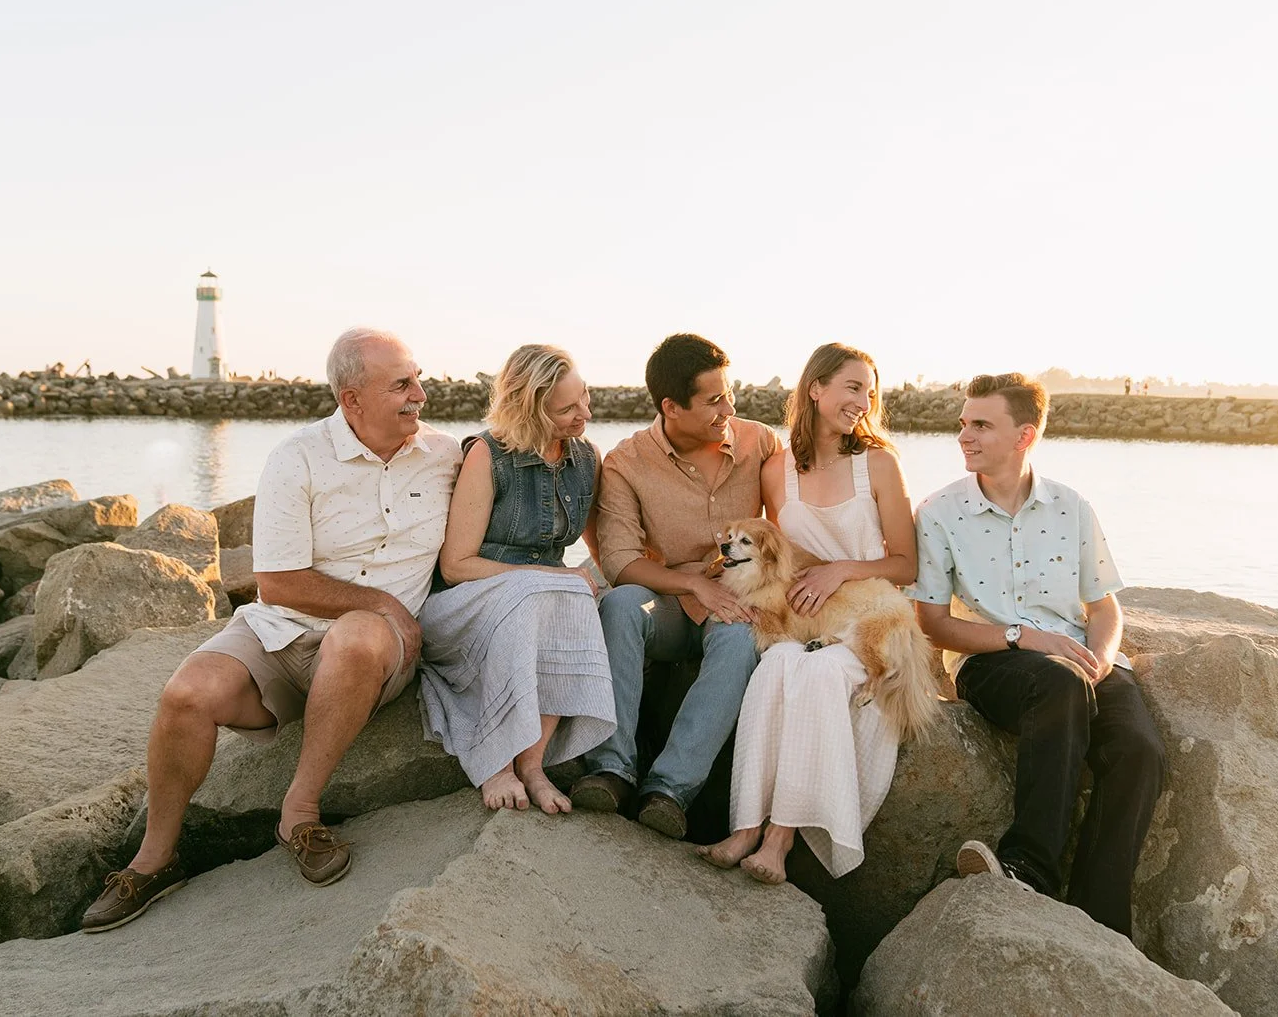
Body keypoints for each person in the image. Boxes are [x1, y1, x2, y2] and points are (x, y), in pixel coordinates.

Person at [80, 328, 462, 932]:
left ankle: (299, 813)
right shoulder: (297, 456)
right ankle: (154, 861)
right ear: (351, 397)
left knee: (358, 635)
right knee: (186, 694)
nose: (421, 393)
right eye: (402, 384)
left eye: (418, 378)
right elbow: (279, 583)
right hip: (281, 630)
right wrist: (384, 598)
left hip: (374, 649)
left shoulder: (449, 457)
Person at [909, 372, 1164, 937]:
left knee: (1140, 750)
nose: (963, 436)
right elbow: (932, 623)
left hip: (1078, 658)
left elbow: (1104, 609)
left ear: (1024, 436)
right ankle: (1028, 868)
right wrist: (1022, 637)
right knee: (1057, 685)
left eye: (980, 424)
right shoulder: (938, 512)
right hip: (991, 658)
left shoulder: (1071, 506)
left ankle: (1100, 921)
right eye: (963, 424)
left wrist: (1100, 658)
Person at [697, 343, 920, 884]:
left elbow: (907, 563)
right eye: (851, 387)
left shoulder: (878, 465)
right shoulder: (776, 471)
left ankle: (780, 839)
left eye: (870, 391)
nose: (862, 401)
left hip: (865, 610)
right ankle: (746, 827)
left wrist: (840, 570)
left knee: (819, 674)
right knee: (774, 668)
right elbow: (773, 551)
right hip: (803, 617)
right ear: (814, 388)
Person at [571, 333, 781, 839]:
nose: (728, 408)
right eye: (713, 400)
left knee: (738, 638)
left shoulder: (761, 442)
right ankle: (612, 769)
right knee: (620, 606)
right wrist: (692, 584)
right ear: (671, 406)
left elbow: (788, 526)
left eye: (728, 394)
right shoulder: (627, 462)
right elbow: (619, 560)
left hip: (736, 604)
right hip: (662, 605)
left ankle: (670, 789)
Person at [418, 344, 616, 814]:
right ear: (531, 407)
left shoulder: (587, 458)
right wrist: (545, 575)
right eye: (567, 408)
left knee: (568, 595)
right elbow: (456, 565)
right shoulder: (488, 456)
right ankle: (496, 764)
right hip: (464, 604)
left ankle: (532, 762)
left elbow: (599, 547)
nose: (584, 413)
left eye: (584, 397)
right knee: (547, 589)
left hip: (537, 601)